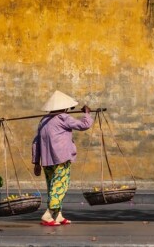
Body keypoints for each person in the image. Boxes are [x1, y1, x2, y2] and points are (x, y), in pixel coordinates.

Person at [31, 90, 93, 226]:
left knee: (52, 187)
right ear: (64, 107)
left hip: (47, 161)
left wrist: (36, 162)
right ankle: (48, 215)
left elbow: (36, 142)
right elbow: (84, 125)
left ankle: (58, 215)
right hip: (61, 159)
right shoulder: (63, 118)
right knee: (60, 186)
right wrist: (87, 113)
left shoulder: (43, 120)